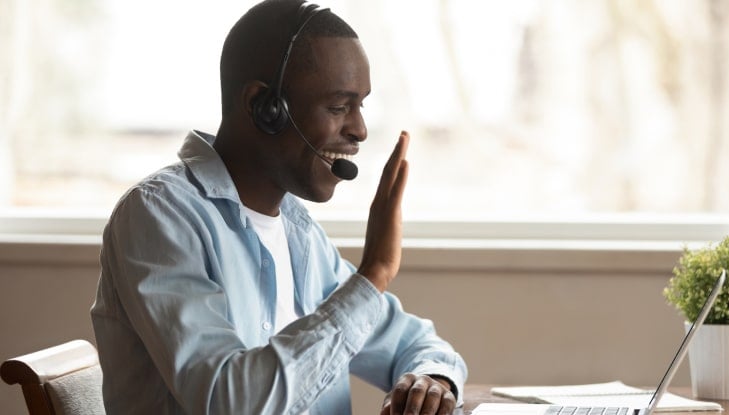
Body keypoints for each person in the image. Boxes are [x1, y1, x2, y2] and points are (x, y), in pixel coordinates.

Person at [90, 0, 468, 414]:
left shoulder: (298, 233)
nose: (359, 129)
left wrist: (431, 380)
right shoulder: (160, 217)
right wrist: (373, 275)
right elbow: (229, 402)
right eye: (339, 106)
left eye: (361, 106)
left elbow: (418, 345)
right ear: (264, 107)